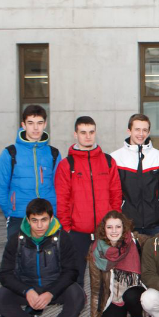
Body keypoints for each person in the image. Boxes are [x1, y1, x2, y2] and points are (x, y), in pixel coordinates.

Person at [0, 199, 84, 317]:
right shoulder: (16, 240)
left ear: (51, 218)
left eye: (44, 220)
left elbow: (72, 272)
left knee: (78, 294)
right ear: (28, 220)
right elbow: (5, 274)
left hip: (54, 286)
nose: (39, 225)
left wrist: (51, 293)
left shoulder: (62, 238)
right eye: (34, 220)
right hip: (28, 287)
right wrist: (27, 291)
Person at [55, 116, 123, 285]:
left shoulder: (108, 161)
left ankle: (105, 311)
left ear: (95, 133)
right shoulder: (66, 164)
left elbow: (116, 194)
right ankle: (76, 309)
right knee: (75, 277)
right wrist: (66, 228)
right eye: (83, 132)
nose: (88, 136)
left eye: (91, 132)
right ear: (75, 134)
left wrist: (114, 223)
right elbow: (62, 199)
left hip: (104, 231)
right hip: (77, 232)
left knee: (106, 277)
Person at [0, 104, 61, 238]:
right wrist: (10, 212)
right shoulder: (10, 153)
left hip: (48, 217)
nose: (35, 128)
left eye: (39, 123)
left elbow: (61, 187)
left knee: (50, 258)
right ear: (23, 125)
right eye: (31, 123)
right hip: (19, 216)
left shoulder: (53, 154)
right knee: (19, 257)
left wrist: (55, 212)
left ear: (45, 124)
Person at [87, 211, 146, 317]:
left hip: (134, 291)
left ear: (124, 227)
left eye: (118, 227)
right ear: (104, 229)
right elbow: (96, 290)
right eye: (109, 227)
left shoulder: (135, 240)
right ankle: (123, 316)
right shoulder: (96, 250)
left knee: (130, 296)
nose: (114, 231)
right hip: (114, 297)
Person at [111, 114, 159, 236]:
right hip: (127, 223)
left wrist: (156, 206)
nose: (141, 133)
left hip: (154, 224)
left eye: (144, 130)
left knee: (153, 255)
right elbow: (112, 189)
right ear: (129, 131)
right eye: (137, 129)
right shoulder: (115, 158)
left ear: (149, 132)